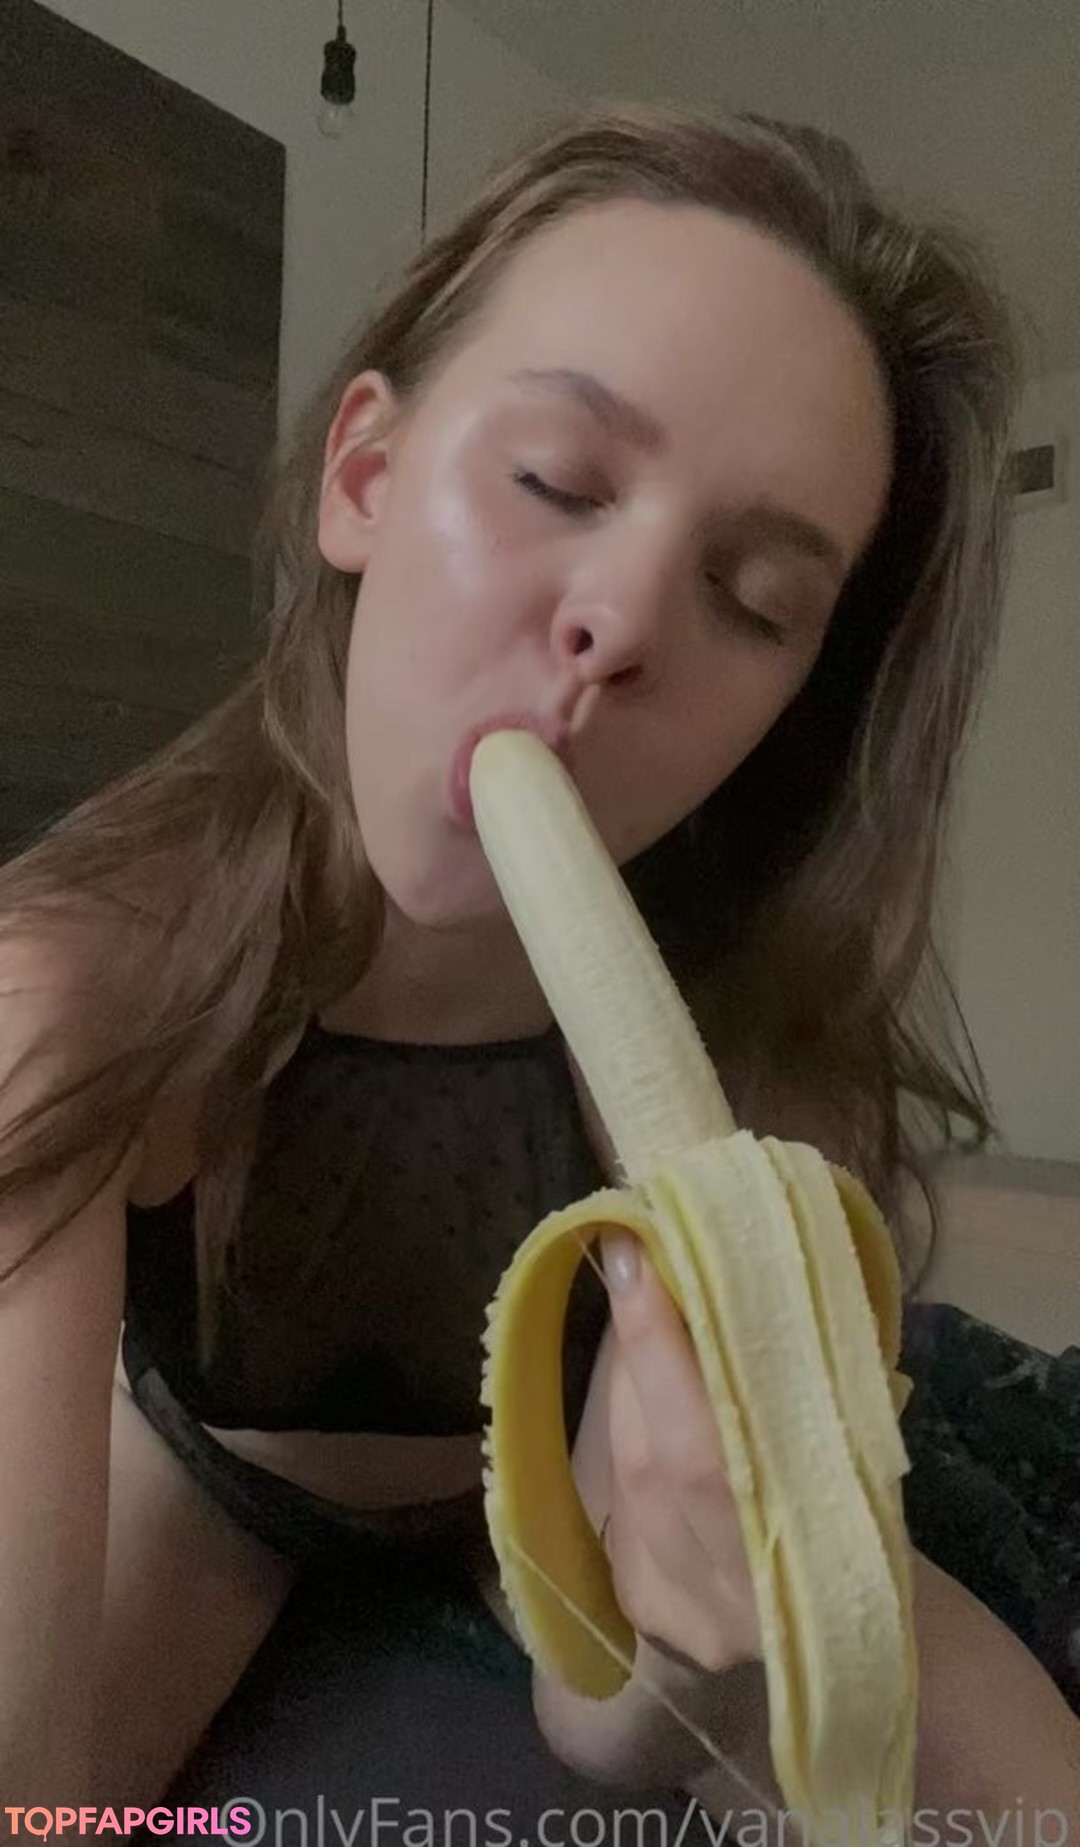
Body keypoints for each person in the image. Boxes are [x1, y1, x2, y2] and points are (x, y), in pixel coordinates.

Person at [0, 100, 1077, 1819]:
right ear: (365, 479)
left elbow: (613, 1729)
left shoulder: (749, 1034)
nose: (621, 622)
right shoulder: (83, 991)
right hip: (230, 1494)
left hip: (550, 1529)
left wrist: (695, 1640)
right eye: (556, 484)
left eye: (754, 598)